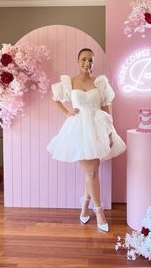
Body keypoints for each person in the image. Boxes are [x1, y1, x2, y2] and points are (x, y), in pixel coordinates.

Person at [47, 48, 126, 232]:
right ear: (77, 60)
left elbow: (106, 108)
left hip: (98, 129)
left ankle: (84, 208)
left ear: (93, 62)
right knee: (91, 172)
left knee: (92, 172)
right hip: (78, 130)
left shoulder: (100, 83)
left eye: (90, 60)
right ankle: (99, 212)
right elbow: (55, 99)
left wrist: (109, 133)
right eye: (83, 59)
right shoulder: (70, 82)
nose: (87, 63)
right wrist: (67, 112)